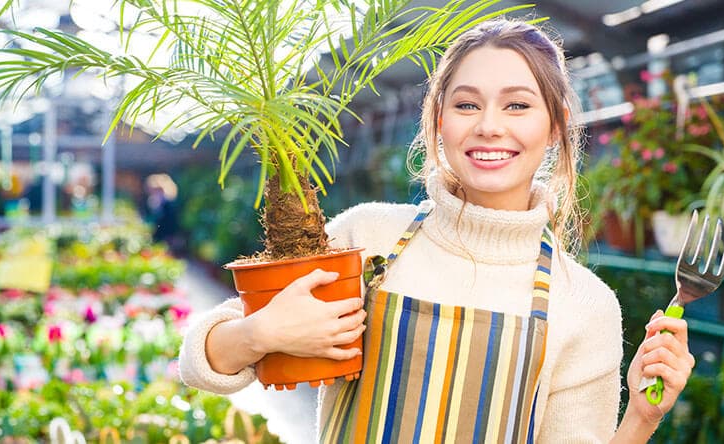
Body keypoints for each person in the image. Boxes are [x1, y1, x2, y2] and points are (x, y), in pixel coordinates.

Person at [179, 19, 695, 443]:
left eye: (517, 105)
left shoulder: (583, 304)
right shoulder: (368, 237)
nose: (489, 125)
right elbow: (200, 361)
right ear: (438, 120)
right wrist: (259, 334)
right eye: (467, 104)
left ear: (556, 125)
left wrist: (641, 418)